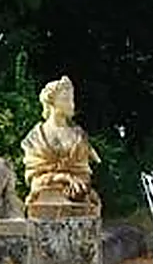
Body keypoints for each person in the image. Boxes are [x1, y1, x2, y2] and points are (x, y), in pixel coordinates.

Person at [21, 75, 102, 209]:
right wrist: (64, 177)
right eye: (66, 99)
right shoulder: (35, 138)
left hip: (76, 194)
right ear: (52, 102)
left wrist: (79, 183)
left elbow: (84, 173)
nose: (72, 104)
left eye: (72, 100)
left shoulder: (79, 137)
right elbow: (34, 178)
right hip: (44, 194)